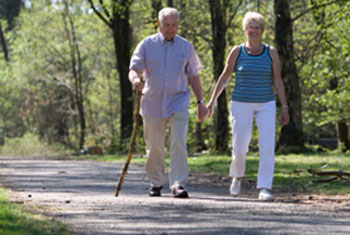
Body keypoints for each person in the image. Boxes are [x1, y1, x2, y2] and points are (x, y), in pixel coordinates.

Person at [207, 11, 289, 201]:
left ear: (262, 30)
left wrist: (284, 106)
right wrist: (212, 101)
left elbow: (277, 81)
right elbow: (225, 77)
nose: (254, 31)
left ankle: (264, 187)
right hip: (240, 103)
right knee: (240, 145)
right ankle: (237, 176)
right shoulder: (237, 51)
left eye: (257, 27)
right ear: (245, 30)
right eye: (250, 27)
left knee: (267, 145)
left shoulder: (271, 52)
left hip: (266, 103)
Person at [129, 7, 208, 198]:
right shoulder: (147, 45)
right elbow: (133, 69)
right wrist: (135, 81)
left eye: (174, 25)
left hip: (178, 100)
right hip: (152, 101)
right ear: (159, 25)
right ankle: (156, 182)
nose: (170, 29)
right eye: (166, 25)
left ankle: (178, 183)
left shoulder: (186, 47)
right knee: (154, 145)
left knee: (178, 142)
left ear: (178, 25)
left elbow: (194, 76)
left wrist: (200, 101)